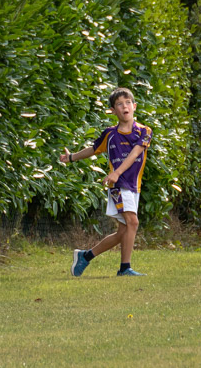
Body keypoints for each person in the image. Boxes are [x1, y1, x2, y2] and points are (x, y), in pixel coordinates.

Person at [59, 87, 152, 277]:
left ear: (134, 106)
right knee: (132, 223)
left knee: (123, 232)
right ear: (113, 110)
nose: (124, 106)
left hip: (134, 186)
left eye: (127, 102)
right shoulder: (109, 134)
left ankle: (85, 256)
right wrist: (71, 158)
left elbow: (136, 153)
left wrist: (117, 172)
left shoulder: (144, 131)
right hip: (118, 185)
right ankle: (125, 268)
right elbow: (93, 149)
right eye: (119, 104)